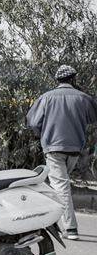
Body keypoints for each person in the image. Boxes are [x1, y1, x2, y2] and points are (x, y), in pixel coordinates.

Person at [27, 64, 97, 240]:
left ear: (57, 80)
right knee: (59, 185)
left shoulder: (46, 98)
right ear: (73, 79)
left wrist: (43, 133)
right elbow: (92, 117)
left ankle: (70, 228)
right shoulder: (83, 98)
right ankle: (51, 220)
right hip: (74, 149)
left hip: (53, 148)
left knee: (61, 187)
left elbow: (33, 122)